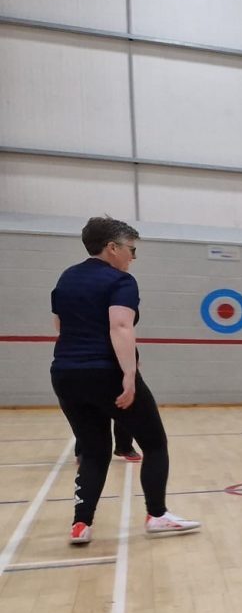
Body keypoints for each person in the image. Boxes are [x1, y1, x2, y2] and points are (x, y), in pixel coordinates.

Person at [50, 216, 201, 545]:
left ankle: (81, 523)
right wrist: (129, 375)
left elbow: (60, 326)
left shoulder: (67, 277)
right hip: (106, 373)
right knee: (155, 444)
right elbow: (120, 326)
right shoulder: (120, 281)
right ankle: (157, 515)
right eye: (131, 249)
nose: (133, 257)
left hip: (65, 373)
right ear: (112, 248)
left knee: (93, 450)